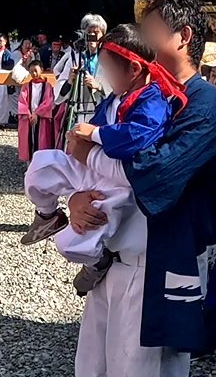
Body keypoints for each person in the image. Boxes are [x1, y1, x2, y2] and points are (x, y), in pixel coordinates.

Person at [48, 0, 213, 377]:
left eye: (152, 27)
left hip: (163, 258)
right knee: (95, 360)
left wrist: (94, 146)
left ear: (182, 37)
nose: (140, 37)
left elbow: (160, 174)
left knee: (145, 375)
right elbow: (103, 163)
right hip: (116, 251)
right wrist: (78, 195)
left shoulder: (203, 104)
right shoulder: (142, 94)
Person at [22, 24, 185, 293]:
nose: (106, 76)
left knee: (69, 243)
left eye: (109, 69)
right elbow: (93, 132)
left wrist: (95, 133)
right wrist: (79, 139)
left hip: (121, 182)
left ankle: (98, 261)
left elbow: (137, 135)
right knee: (40, 165)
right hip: (95, 166)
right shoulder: (117, 96)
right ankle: (47, 214)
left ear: (134, 69)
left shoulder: (154, 100)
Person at [54, 15, 108, 146]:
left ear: (103, 35)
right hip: (78, 111)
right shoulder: (75, 57)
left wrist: (98, 86)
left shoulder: (108, 58)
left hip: (100, 111)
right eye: (89, 32)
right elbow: (59, 90)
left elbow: (116, 86)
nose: (92, 35)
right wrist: (69, 81)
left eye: (96, 32)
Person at [16, 61, 54, 162]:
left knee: (41, 141)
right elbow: (22, 101)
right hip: (28, 117)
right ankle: (29, 163)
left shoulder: (47, 86)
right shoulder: (26, 86)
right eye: (31, 71)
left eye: (36, 71)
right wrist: (28, 114)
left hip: (41, 117)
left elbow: (48, 101)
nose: (34, 73)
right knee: (28, 141)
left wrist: (37, 113)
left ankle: (40, 162)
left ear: (41, 70)